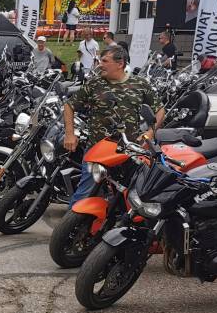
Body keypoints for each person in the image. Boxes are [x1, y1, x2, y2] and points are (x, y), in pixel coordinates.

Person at [64, 45, 164, 203]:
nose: (100, 65)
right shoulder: (94, 83)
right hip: (97, 149)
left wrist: (150, 133)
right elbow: (69, 105)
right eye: (100, 60)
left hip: (128, 151)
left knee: (128, 196)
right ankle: (73, 219)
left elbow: (160, 110)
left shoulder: (140, 84)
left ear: (120, 63)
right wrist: (69, 134)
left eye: (105, 61)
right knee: (85, 194)